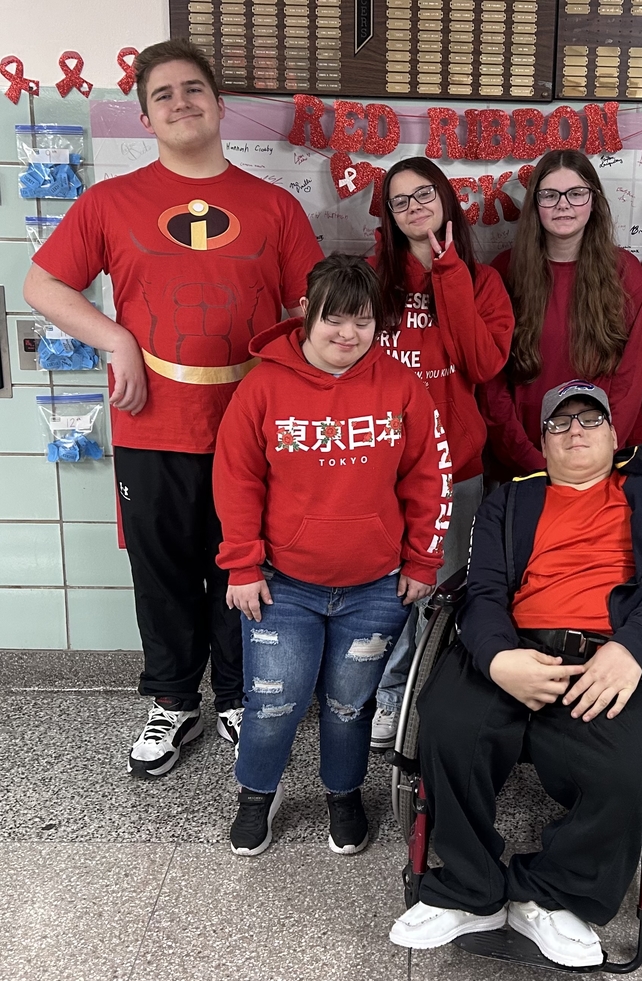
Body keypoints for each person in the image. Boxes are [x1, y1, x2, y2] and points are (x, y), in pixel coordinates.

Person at [22, 40, 323, 778]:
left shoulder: (274, 206)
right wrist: (114, 336)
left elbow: (308, 312)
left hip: (249, 431)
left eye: (195, 89)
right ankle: (171, 698)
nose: (182, 102)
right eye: (164, 94)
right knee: (162, 569)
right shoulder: (108, 202)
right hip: (149, 421)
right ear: (146, 114)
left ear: (219, 105)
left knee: (242, 566)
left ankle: (237, 691)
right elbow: (42, 286)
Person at [389, 380, 642, 967]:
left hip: (608, 652)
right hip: (516, 645)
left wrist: (632, 649)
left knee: (633, 773)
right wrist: (496, 658)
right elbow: (481, 589)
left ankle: (553, 896)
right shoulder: (509, 500)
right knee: (448, 725)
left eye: (590, 420)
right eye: (560, 425)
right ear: (543, 444)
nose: (576, 432)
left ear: (616, 435)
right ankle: (471, 889)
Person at [213, 254, 451, 856]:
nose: (348, 335)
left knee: (349, 708)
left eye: (363, 322)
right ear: (306, 315)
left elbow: (429, 477)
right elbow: (237, 478)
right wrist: (242, 564)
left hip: (374, 589)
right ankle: (256, 796)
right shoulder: (262, 386)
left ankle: (342, 795)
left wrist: (423, 562)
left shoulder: (401, 386)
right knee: (273, 705)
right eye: (334, 320)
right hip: (282, 585)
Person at [368, 156, 515, 749]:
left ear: (447, 200)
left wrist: (447, 269)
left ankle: (420, 696)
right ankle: (384, 693)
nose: (413, 207)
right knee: (385, 590)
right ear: (388, 214)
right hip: (377, 468)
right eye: (400, 200)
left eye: (423, 194)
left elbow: (481, 362)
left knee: (441, 594)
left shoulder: (482, 283)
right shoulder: (372, 283)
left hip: (458, 469)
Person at [481, 149, 642, 478]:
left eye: (576, 193)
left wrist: (598, 456)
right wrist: (528, 458)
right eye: (550, 195)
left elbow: (630, 379)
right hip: (522, 463)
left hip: (599, 463)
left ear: (593, 201)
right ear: (535, 204)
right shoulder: (504, 271)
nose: (563, 204)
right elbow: (493, 383)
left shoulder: (625, 273)